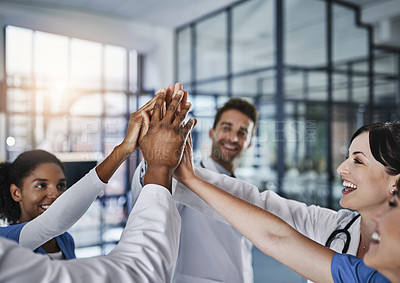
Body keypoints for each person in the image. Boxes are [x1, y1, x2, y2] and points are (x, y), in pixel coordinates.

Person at [0, 86, 195, 282]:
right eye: (40, 185)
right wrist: (145, 158)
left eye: (61, 185)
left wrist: (133, 150)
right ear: (16, 193)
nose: (54, 194)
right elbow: (50, 223)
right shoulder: (7, 239)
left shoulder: (64, 240)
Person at [171, 121, 400, 281]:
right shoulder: (334, 227)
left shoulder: (379, 273)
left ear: (395, 182)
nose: (341, 168)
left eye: (358, 161)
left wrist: (188, 177)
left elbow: (277, 238)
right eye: (346, 157)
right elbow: (259, 206)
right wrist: (183, 175)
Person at [132, 97, 259, 282]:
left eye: (242, 132)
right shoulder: (185, 178)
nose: (233, 137)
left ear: (249, 142)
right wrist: (154, 157)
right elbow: (149, 195)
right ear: (211, 132)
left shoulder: (245, 189)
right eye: (226, 127)